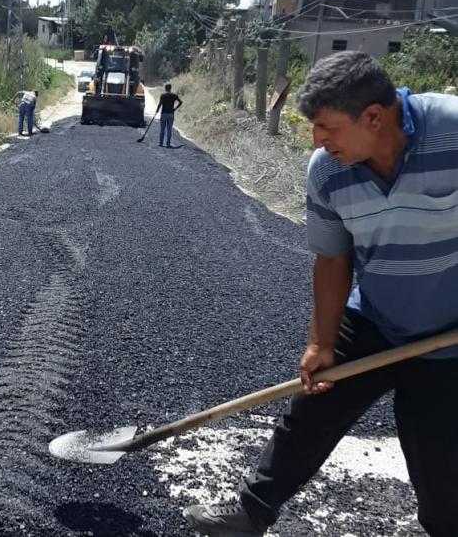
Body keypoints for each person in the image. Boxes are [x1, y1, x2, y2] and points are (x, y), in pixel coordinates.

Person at [182, 51, 458, 537]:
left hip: (449, 336)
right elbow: (333, 259)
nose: (316, 140)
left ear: (374, 116)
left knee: (439, 456)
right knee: (310, 412)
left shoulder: (453, 132)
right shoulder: (327, 172)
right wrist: (321, 343)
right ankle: (251, 512)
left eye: (327, 127)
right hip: (375, 316)